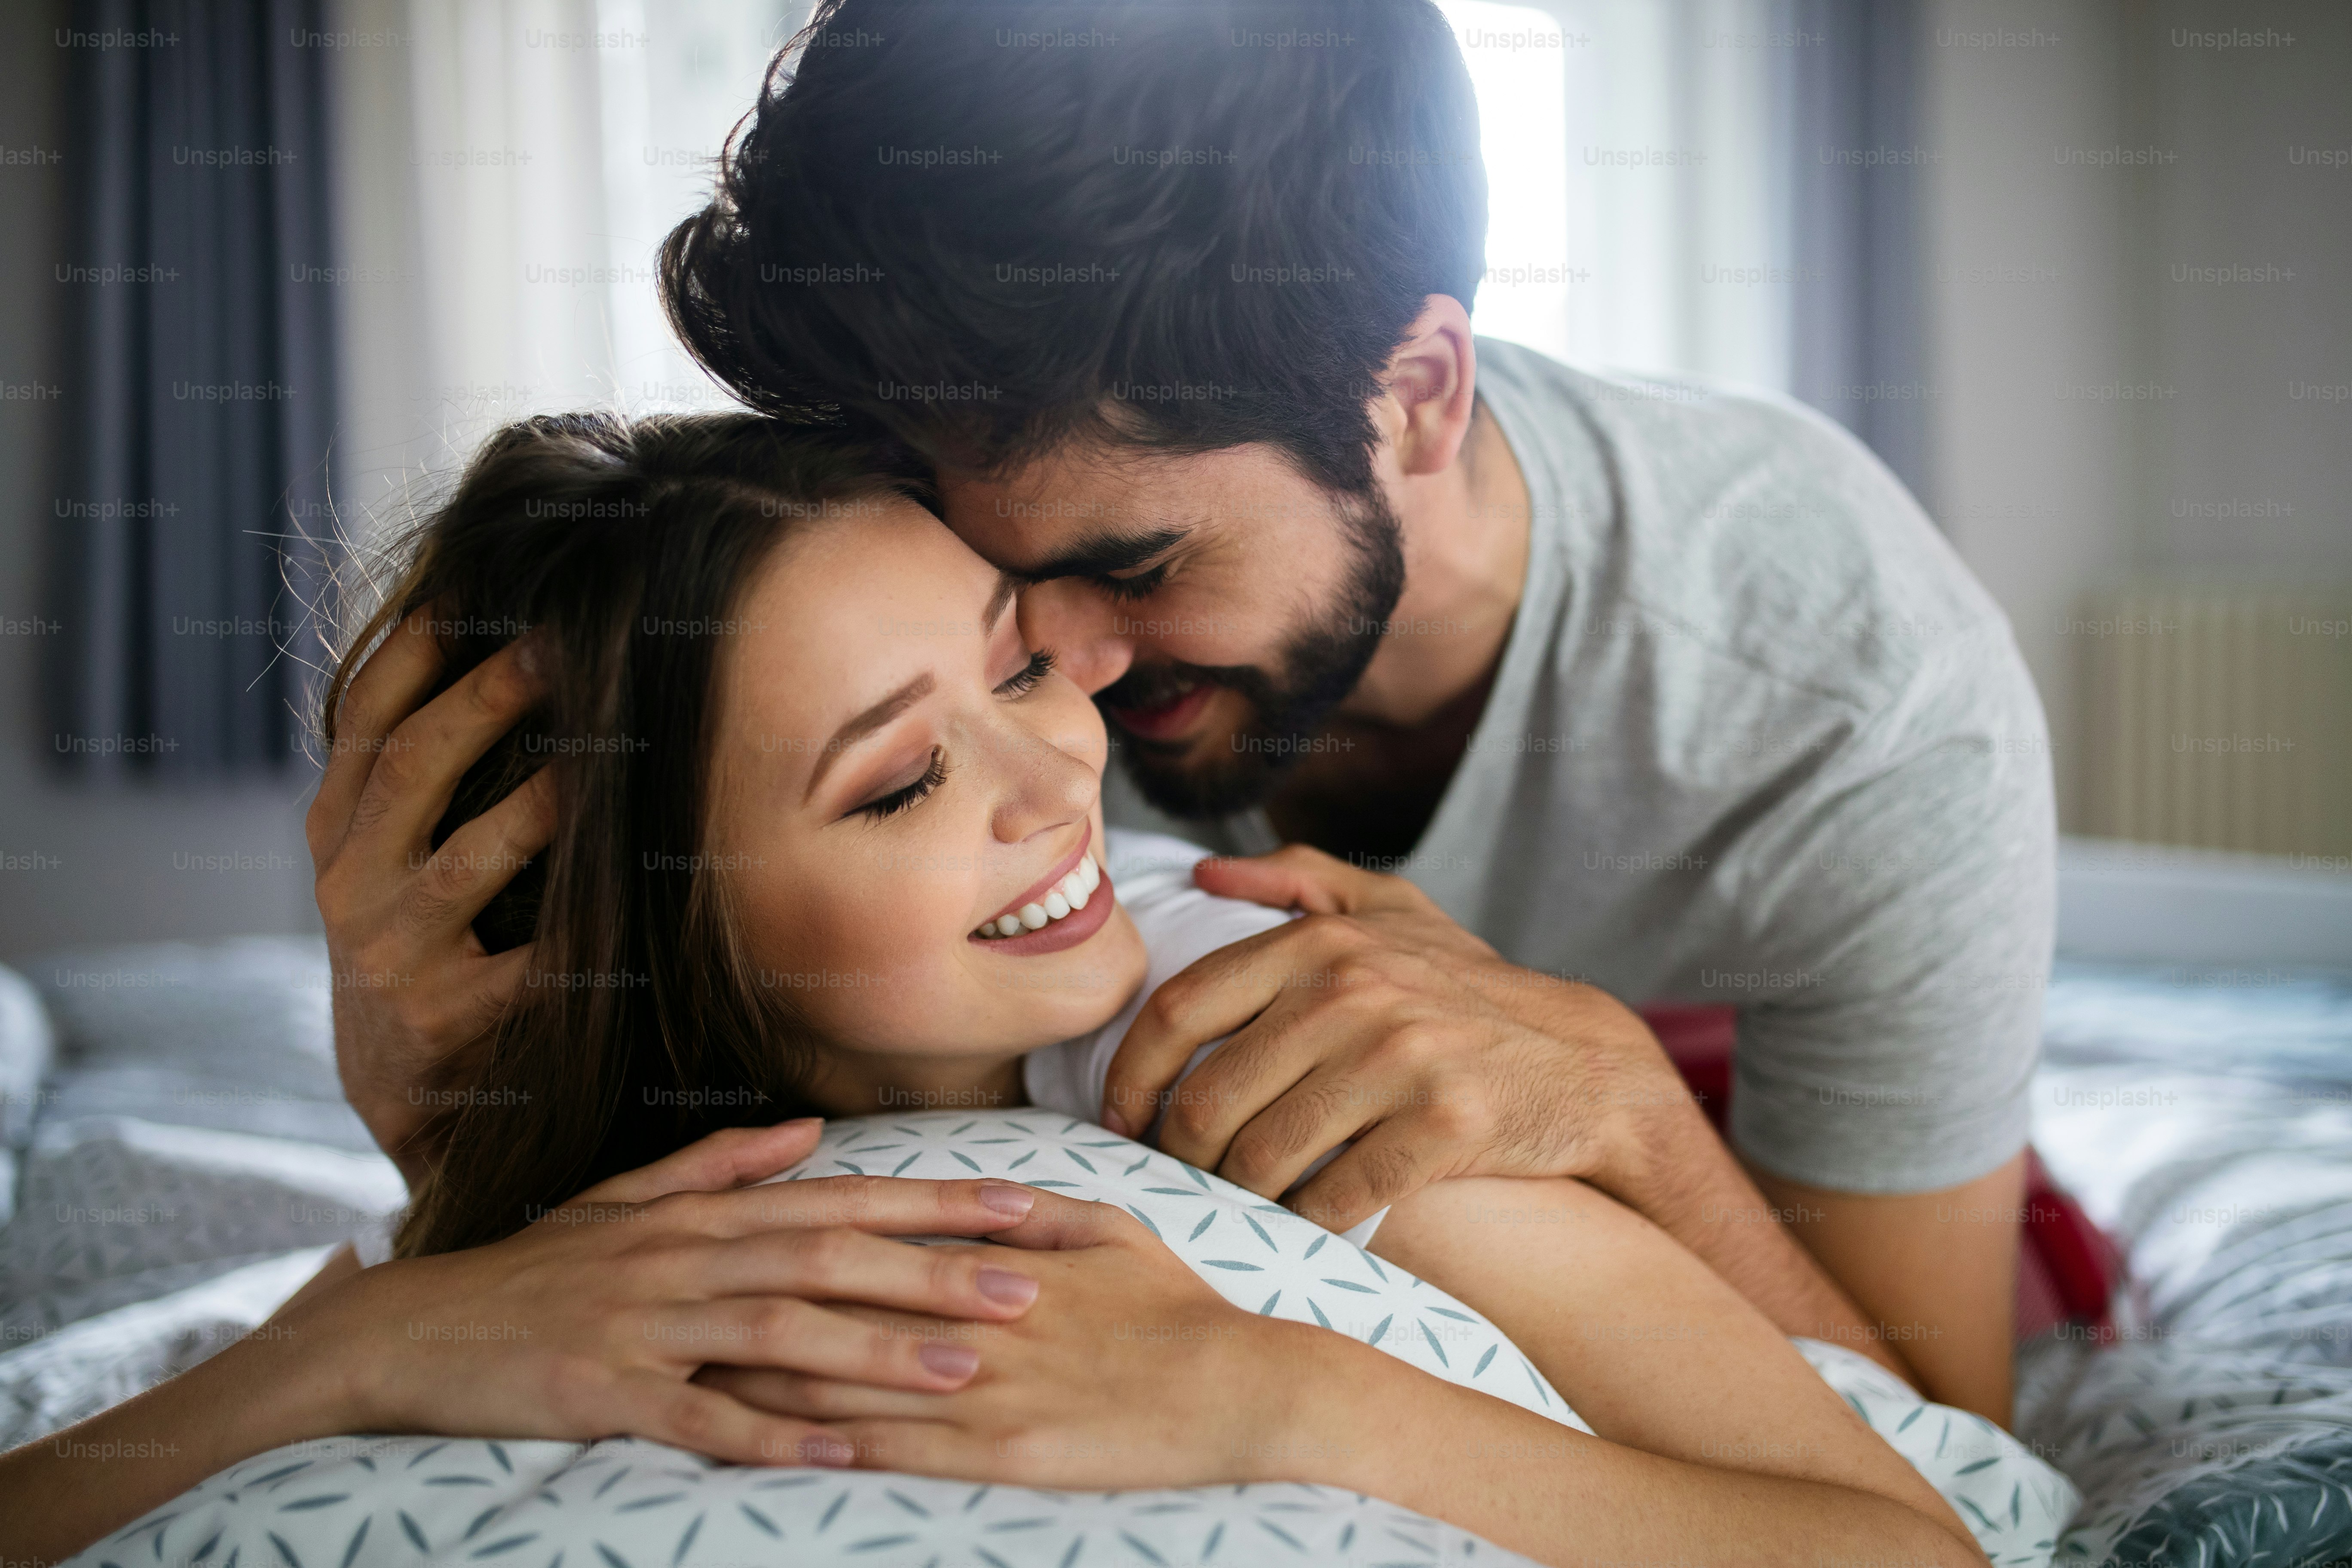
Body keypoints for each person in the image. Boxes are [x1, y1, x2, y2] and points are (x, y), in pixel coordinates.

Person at [315, 0, 2054, 1425]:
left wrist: (1626, 1107)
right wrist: (424, 1072)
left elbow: (1948, 1448)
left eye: (1134, 561)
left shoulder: (1859, 712)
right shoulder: (968, 562)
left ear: (1418, 398)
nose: (1058, 672)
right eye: (990, 594)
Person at [3, 414, 1988, 1568]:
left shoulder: (1246, 1042)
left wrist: (1290, 1396)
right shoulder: (610, 1183)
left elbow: (1922, 1548)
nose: (1063, 776)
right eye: (903, 776)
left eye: (1021, 666)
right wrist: (345, 1346)